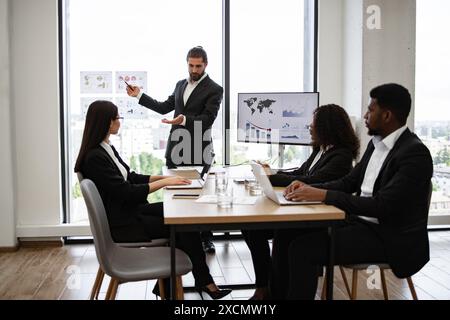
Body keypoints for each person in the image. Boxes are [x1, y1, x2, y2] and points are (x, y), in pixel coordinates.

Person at [271, 83, 433, 300]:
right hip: (359, 224)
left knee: (302, 249)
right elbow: (348, 183)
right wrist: (310, 188)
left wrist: (324, 195)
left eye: (370, 110)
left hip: (388, 238)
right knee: (285, 233)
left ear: (386, 115)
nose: (365, 115)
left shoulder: (414, 154)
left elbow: (383, 206)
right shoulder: (375, 145)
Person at [74, 100, 231, 299]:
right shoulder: (95, 157)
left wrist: (165, 178)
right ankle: (203, 282)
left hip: (130, 211)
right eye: (117, 118)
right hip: (124, 224)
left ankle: (175, 285)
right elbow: (127, 191)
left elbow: (130, 177)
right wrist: (165, 183)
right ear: (106, 122)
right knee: (183, 226)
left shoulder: (105, 148)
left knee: (181, 215)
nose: (119, 122)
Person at [242, 104, 360, 300]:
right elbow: (300, 173)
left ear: (327, 127)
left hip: (322, 219)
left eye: (313, 124)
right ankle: (265, 287)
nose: (309, 127)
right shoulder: (320, 150)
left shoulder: (341, 156)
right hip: (307, 208)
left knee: (284, 231)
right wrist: (272, 173)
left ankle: (276, 292)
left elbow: (312, 181)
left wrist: (270, 178)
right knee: (252, 228)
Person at [126, 46, 220, 254]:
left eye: (198, 66)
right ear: (187, 63)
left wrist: (184, 119)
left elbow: (208, 119)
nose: (194, 70)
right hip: (176, 145)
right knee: (176, 191)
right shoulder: (180, 85)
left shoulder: (215, 89)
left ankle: (206, 238)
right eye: (191, 65)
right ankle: (181, 235)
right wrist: (139, 95)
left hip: (198, 146)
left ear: (205, 65)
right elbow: (163, 107)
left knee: (200, 193)